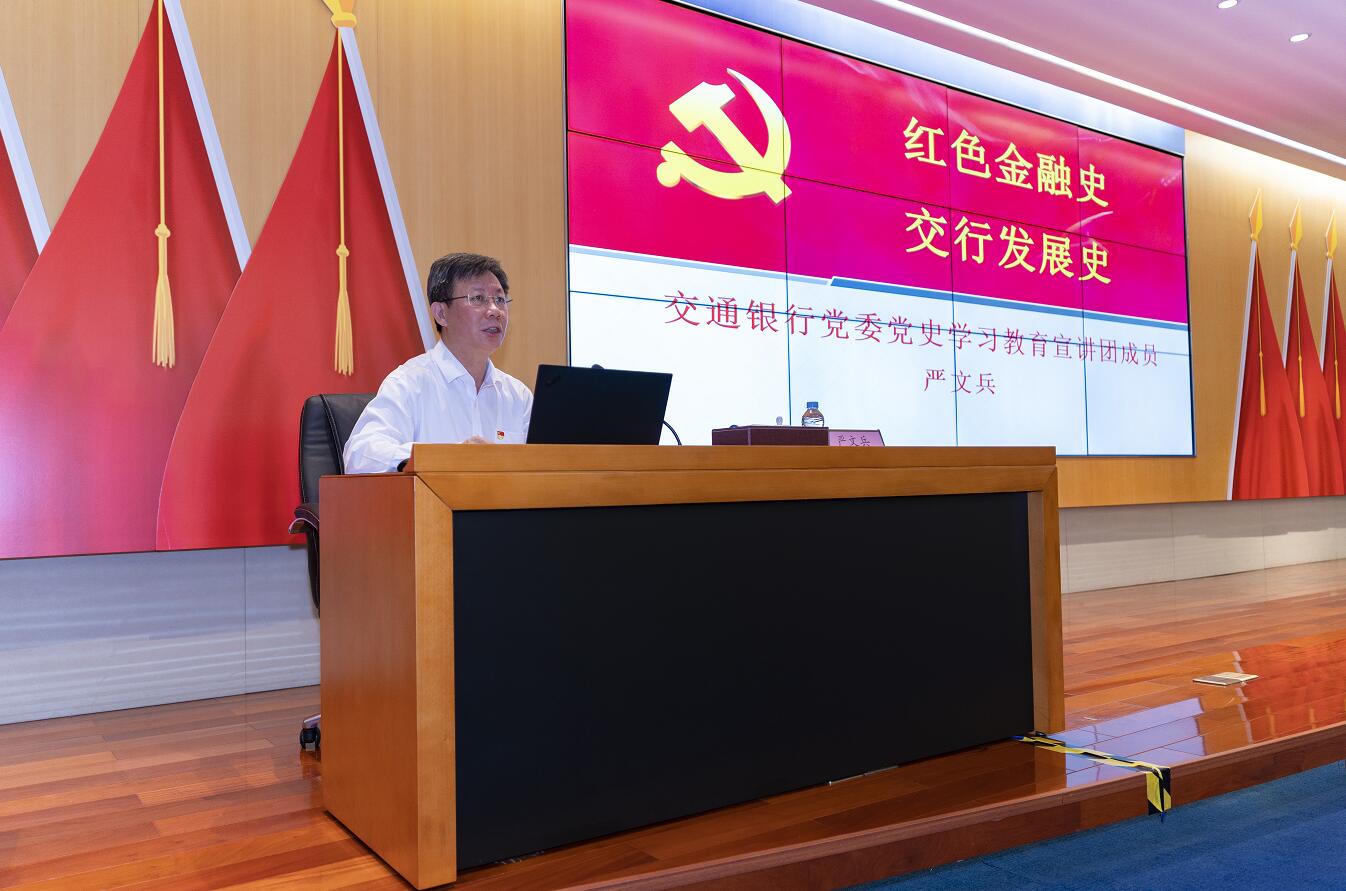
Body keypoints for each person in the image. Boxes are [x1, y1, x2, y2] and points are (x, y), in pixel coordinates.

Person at [343, 252, 533, 473]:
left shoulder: (518, 396)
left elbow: (543, 468)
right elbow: (360, 454)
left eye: (499, 299)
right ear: (441, 313)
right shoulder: (408, 383)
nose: (494, 311)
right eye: (478, 298)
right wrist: (446, 457)